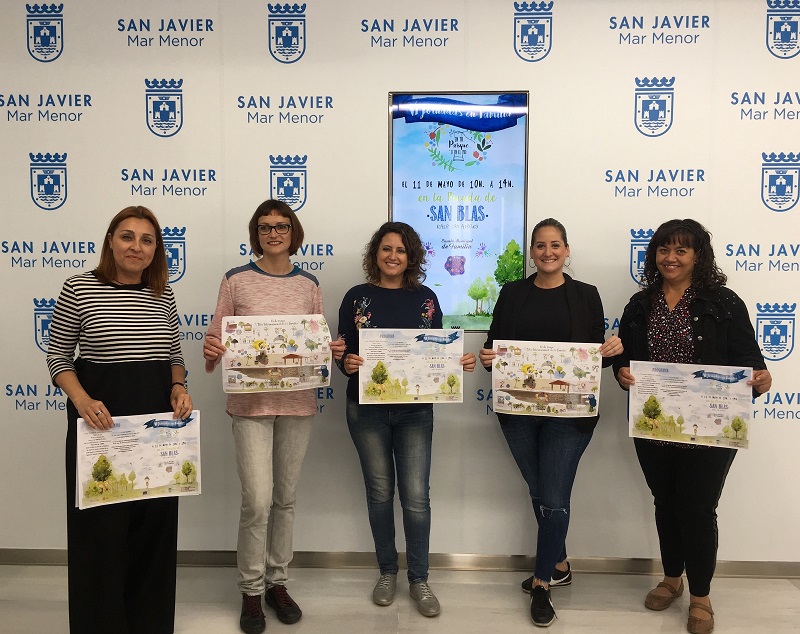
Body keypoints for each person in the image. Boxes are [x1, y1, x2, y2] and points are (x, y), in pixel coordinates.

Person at [614, 219, 771, 634]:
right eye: (664, 249)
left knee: (697, 508)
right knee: (665, 502)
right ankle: (672, 579)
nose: (671, 258)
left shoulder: (725, 302)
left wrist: (760, 378)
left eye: (681, 250)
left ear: (698, 256)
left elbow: (750, 360)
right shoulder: (640, 304)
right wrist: (621, 373)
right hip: (654, 424)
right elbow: (624, 359)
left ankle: (701, 596)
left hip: (710, 426)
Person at [46, 206, 193, 633]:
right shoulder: (79, 287)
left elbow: (175, 356)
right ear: (111, 240)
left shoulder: (162, 294)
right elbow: (58, 356)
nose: (136, 247)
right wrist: (82, 400)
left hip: (157, 430)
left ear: (156, 250)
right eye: (127, 236)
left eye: (147, 240)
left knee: (154, 532)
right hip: (100, 425)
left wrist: (178, 388)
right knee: (100, 536)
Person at [204, 200, 339, 634]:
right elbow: (215, 342)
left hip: (298, 404)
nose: (274, 233)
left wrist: (330, 352)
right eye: (265, 227)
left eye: (281, 226)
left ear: (293, 232)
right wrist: (211, 349)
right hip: (250, 408)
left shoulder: (309, 284)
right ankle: (250, 589)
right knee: (257, 501)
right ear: (255, 234)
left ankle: (277, 582)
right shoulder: (235, 280)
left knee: (285, 498)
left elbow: (314, 344)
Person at [479, 218, 622, 627]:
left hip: (570, 415)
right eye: (540, 246)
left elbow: (592, 359)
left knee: (554, 497)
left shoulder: (586, 295)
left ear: (567, 250)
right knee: (540, 490)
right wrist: (488, 357)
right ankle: (558, 563)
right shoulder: (512, 293)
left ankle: (543, 582)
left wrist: (609, 352)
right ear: (532, 252)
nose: (548, 252)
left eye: (555, 245)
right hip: (519, 412)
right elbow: (493, 347)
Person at [334, 221, 476, 617]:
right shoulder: (356, 297)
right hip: (365, 410)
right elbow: (342, 351)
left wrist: (456, 361)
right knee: (380, 493)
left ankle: (419, 579)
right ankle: (386, 571)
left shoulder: (426, 299)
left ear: (411, 257)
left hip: (415, 411)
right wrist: (345, 362)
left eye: (400, 250)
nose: (392, 256)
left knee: (415, 497)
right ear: (375, 254)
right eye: (386, 248)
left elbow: (437, 352)